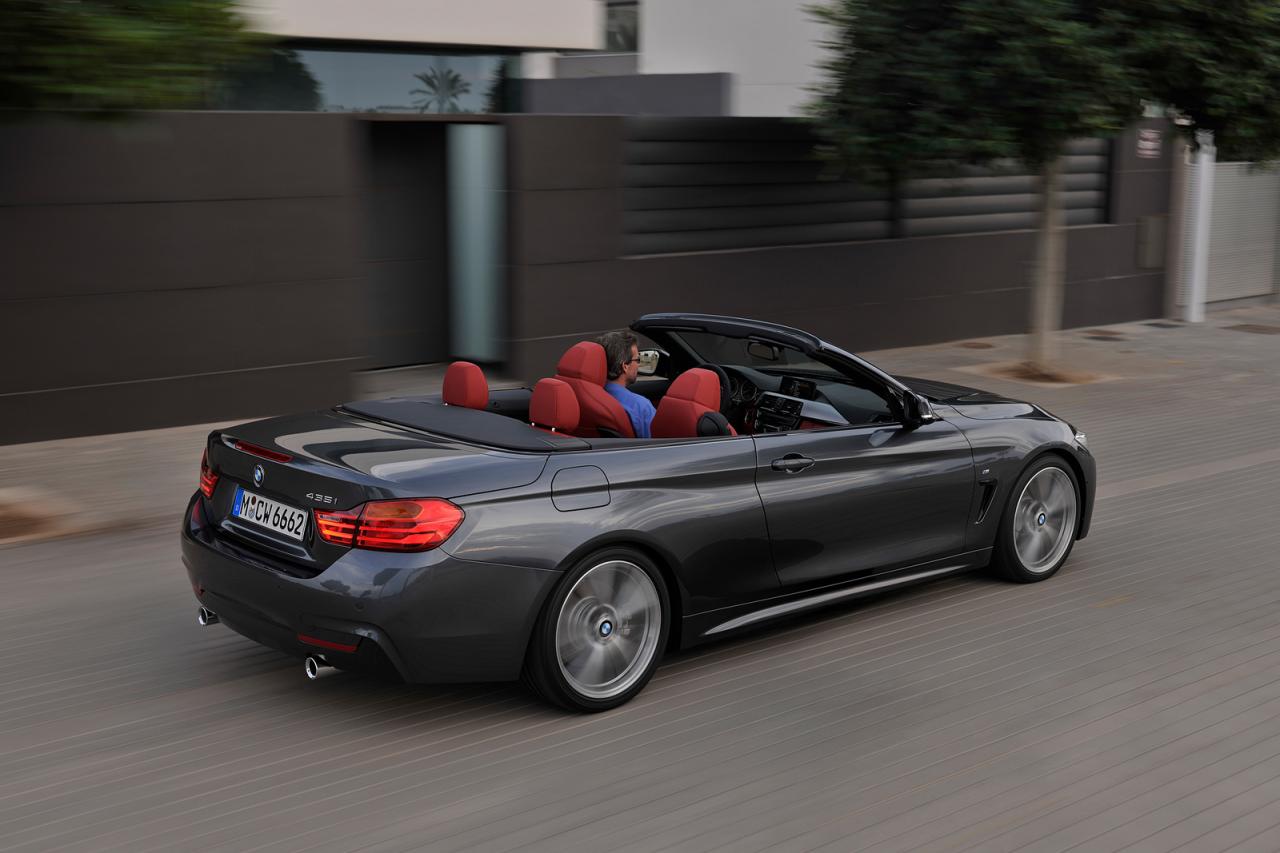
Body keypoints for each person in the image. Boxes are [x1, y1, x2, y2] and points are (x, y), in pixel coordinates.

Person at [597, 330, 656, 438]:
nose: (638, 365)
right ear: (625, 366)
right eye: (637, 360)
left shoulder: (590, 396)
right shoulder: (641, 407)